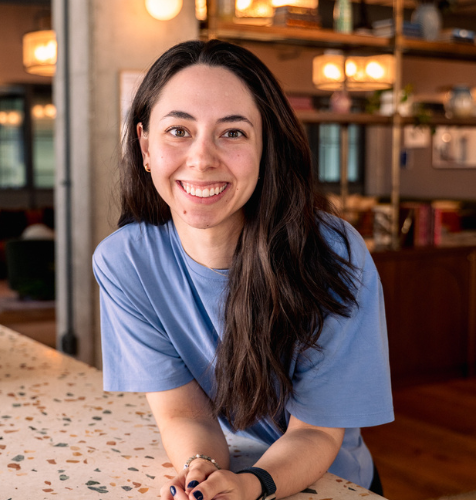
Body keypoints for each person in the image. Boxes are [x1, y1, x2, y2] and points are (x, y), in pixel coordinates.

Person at [93, 39, 394, 500]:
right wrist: (202, 474)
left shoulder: (332, 253)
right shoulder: (125, 263)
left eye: (232, 133)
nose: (201, 158)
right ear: (146, 146)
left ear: (264, 148)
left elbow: (317, 433)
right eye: (179, 131)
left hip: (333, 483)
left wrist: (249, 486)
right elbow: (185, 415)